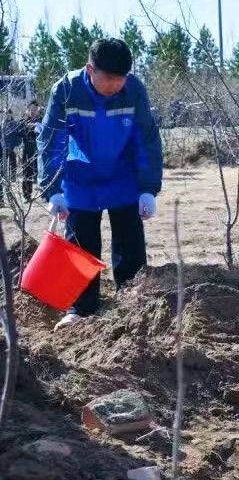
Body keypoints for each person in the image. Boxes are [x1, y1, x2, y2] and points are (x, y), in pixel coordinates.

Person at [39, 38, 162, 329]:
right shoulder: (67, 90)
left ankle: (132, 304)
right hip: (80, 180)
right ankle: (80, 310)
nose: (115, 85)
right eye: (109, 78)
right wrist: (53, 189)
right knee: (81, 245)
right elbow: (52, 140)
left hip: (123, 179)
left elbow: (145, 139)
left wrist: (147, 188)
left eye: (121, 79)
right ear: (89, 69)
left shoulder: (133, 90)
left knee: (130, 245)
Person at [20, 100, 44, 201]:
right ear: (28, 110)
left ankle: (45, 194)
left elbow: (46, 130)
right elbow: (19, 132)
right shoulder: (24, 121)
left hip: (40, 151)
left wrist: (38, 126)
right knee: (27, 173)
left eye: (35, 110)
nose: (33, 112)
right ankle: (27, 195)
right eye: (31, 109)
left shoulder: (42, 120)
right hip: (27, 150)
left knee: (43, 171)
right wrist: (28, 127)